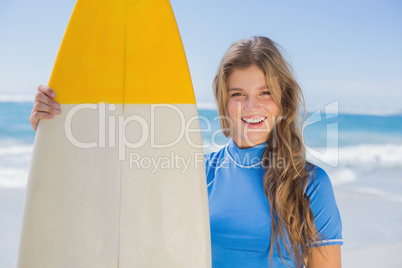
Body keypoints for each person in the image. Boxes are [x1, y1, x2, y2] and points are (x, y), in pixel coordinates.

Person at [30, 36, 343, 267]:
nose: (251, 107)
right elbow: (112, 192)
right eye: (238, 94)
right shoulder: (195, 172)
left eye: (265, 93)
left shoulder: (310, 184)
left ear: (283, 99)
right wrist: (51, 133)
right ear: (224, 101)